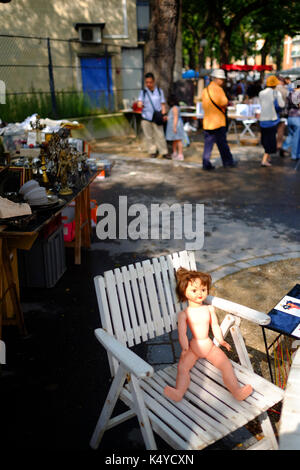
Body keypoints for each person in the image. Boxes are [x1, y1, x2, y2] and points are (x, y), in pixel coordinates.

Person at [163, 267, 253, 402]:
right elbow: (182, 334)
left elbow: (215, 325)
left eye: (203, 290)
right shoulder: (184, 314)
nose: (200, 293)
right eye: (194, 290)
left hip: (209, 346)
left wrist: (221, 340)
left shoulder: (209, 309)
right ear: (184, 291)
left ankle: (236, 391)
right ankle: (179, 392)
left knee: (225, 365)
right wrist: (185, 349)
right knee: (183, 368)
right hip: (193, 347)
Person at [201, 69, 237, 170]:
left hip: (207, 122)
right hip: (218, 121)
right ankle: (228, 162)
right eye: (222, 79)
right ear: (217, 79)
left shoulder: (205, 90)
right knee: (222, 144)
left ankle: (205, 163)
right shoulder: (218, 89)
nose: (223, 81)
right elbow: (224, 102)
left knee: (208, 145)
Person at [137, 72, 169, 158]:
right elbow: (139, 102)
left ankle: (164, 152)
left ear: (154, 81)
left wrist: (164, 114)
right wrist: (139, 104)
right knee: (149, 136)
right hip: (146, 117)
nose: (149, 84)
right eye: (147, 82)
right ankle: (152, 151)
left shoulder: (159, 91)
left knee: (160, 135)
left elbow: (163, 104)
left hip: (157, 116)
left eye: (150, 82)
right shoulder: (143, 92)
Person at [258, 75, 284, 167]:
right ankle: (264, 160)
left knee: (265, 140)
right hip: (272, 120)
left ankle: (268, 157)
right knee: (270, 141)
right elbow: (281, 105)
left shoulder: (261, 93)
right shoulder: (276, 93)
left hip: (262, 119)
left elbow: (261, 104)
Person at [281, 78, 300, 161]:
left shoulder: (290, 93)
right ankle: (295, 155)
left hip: (290, 116)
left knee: (291, 135)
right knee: (297, 137)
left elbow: (286, 105)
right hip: (297, 117)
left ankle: (284, 147)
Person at [165, 94, 185, 161]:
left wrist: (174, 127)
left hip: (176, 126)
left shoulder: (175, 108)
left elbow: (175, 118)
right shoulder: (174, 108)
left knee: (178, 140)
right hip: (174, 126)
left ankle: (180, 154)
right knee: (175, 140)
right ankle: (175, 153)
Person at [276, 76, 289, 156]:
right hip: (283, 113)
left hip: (273, 113)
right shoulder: (285, 90)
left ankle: (270, 150)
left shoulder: (273, 90)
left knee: (273, 131)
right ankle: (279, 145)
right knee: (281, 130)